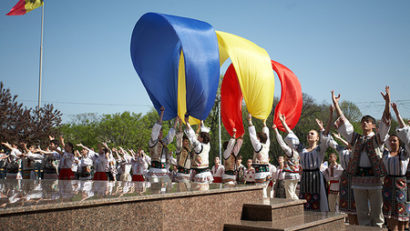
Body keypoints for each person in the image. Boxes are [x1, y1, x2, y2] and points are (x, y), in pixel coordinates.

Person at [332, 87, 390, 227]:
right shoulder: (356, 138)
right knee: (362, 212)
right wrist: (336, 105)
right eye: (363, 121)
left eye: (368, 121)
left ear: (373, 125)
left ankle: (378, 229)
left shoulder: (377, 138)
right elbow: (345, 124)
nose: (364, 123)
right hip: (358, 179)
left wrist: (387, 103)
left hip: (375, 179)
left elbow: (385, 123)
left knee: (377, 211)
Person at [294, 106, 333, 211]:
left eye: (312, 133)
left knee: (318, 202)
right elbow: (292, 138)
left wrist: (330, 116)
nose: (309, 135)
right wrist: (284, 124)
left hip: (316, 177)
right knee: (304, 201)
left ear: (317, 138)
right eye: (308, 134)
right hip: (305, 178)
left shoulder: (319, 149)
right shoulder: (303, 150)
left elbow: (325, 136)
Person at [381, 102, 410, 231]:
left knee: (400, 214)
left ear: (399, 141)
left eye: (395, 140)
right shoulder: (386, 153)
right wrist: (386, 106)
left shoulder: (405, 153)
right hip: (387, 183)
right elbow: (383, 131)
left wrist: (397, 113)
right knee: (389, 214)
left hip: (400, 183)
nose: (392, 142)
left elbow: (407, 135)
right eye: (391, 140)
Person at [329, 133, 357, 224]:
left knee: (356, 200)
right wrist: (324, 130)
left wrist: (341, 139)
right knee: (345, 200)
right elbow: (333, 144)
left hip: (355, 175)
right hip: (346, 176)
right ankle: (347, 220)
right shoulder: (343, 151)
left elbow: (353, 147)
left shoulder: (357, 150)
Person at [272, 114, 300, 200]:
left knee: (290, 194)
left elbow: (282, 144)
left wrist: (276, 130)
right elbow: (291, 133)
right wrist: (283, 122)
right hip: (296, 175)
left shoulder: (290, 151)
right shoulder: (297, 151)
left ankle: (297, 206)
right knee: (292, 192)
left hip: (290, 175)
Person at [147, 107, 177, 183]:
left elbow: (171, 135)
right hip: (155, 170)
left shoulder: (164, 142)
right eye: (160, 132)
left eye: (161, 132)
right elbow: (155, 130)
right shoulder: (153, 141)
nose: (161, 133)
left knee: (164, 191)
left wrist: (176, 120)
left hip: (163, 171)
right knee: (155, 190)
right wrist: (162, 113)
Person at [185, 115, 213, 183]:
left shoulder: (199, 146)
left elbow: (192, 137)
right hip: (206, 173)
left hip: (200, 175)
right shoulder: (208, 145)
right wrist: (201, 122)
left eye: (199, 136)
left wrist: (187, 122)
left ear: (202, 138)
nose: (197, 137)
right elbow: (205, 133)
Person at [247, 113, 270, 184]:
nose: (256, 138)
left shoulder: (258, 146)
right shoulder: (266, 144)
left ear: (259, 139)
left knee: (260, 190)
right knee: (264, 190)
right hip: (266, 169)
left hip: (260, 170)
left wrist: (249, 121)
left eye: (257, 137)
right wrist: (264, 123)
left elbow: (252, 136)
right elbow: (267, 135)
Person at [175, 118, 192, 182]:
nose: (187, 143)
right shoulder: (180, 148)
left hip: (188, 174)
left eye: (187, 141)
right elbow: (179, 138)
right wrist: (180, 125)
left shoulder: (189, 150)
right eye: (185, 141)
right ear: (182, 142)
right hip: (182, 174)